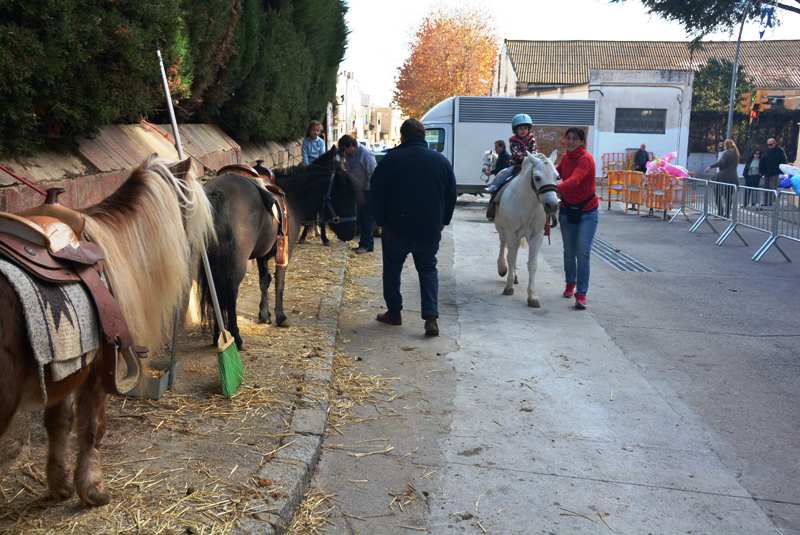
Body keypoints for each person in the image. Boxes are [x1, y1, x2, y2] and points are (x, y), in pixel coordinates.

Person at [370, 118, 457, 337]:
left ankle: (394, 313)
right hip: (429, 228)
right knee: (428, 269)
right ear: (424, 135)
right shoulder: (441, 161)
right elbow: (451, 195)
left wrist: (379, 220)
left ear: (403, 136)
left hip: (396, 226)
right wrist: (443, 221)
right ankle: (430, 318)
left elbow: (376, 191)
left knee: (392, 270)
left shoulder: (390, 160)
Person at [557, 127, 599, 310]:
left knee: (582, 252)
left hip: (587, 212)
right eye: (569, 138)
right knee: (569, 251)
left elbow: (574, 180)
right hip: (567, 210)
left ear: (582, 142)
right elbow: (556, 173)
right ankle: (569, 283)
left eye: (575, 139)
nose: (572, 141)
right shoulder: (565, 158)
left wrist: (553, 188)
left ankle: (581, 294)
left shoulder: (586, 159)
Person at [486, 113, 537, 220]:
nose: (523, 131)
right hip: (517, 165)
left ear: (529, 129)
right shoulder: (513, 141)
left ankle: (548, 209)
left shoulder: (532, 140)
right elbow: (516, 154)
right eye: (520, 128)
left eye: (525, 128)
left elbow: (534, 151)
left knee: (542, 178)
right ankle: (493, 190)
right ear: (515, 130)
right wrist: (527, 157)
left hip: (531, 164)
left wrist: (533, 158)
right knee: (503, 173)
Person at [338, 134, 377, 254]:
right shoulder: (349, 154)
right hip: (357, 190)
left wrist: (366, 190)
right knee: (360, 217)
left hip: (367, 190)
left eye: (345, 150)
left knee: (367, 218)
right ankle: (363, 244)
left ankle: (367, 245)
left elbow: (373, 173)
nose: (345, 154)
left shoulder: (365, 154)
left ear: (352, 146)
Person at [706, 138, 740, 218]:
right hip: (733, 177)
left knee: (717, 193)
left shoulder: (727, 153)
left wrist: (710, 166)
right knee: (728, 196)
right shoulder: (736, 153)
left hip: (724, 177)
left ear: (726, 145)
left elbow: (721, 163)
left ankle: (720, 212)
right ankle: (727, 213)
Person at [759, 138, 788, 206]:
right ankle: (765, 202)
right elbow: (762, 161)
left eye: (771, 144)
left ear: (775, 143)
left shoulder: (780, 151)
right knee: (766, 188)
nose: (769, 146)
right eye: (768, 144)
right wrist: (761, 171)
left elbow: (784, 161)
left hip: (775, 173)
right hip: (766, 173)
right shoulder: (766, 151)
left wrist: (780, 171)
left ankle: (770, 203)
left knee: (772, 188)